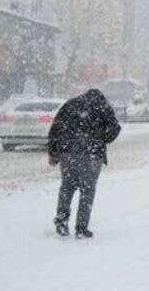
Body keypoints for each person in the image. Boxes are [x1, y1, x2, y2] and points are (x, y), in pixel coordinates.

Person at [47, 89, 121, 239]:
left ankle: (61, 221)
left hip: (68, 152)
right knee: (87, 191)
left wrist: (53, 152)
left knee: (67, 187)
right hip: (92, 154)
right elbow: (115, 128)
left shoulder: (70, 104)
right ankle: (81, 227)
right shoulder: (103, 107)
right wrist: (101, 139)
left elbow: (55, 128)